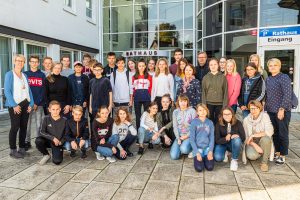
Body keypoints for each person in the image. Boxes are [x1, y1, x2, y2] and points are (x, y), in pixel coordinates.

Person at [4, 54, 34, 158]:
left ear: (24, 63)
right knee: (15, 127)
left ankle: (22, 149)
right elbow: (7, 91)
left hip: (26, 104)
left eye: (22, 61)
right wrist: (14, 105)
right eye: (18, 60)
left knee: (24, 127)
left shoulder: (24, 75)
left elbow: (28, 90)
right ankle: (13, 150)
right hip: (15, 105)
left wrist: (31, 103)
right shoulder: (9, 74)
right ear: (14, 61)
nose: (20, 62)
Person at [265, 58, 293, 165]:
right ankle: (277, 152)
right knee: (275, 133)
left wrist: (282, 109)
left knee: (283, 133)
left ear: (279, 66)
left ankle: (282, 155)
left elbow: (287, 94)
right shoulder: (268, 79)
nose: (272, 67)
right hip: (271, 110)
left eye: (275, 65)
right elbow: (268, 95)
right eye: (270, 65)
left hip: (282, 111)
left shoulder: (284, 77)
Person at [243, 100, 274, 172]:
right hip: (253, 142)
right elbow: (245, 137)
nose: (253, 111)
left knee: (266, 139)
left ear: (259, 108)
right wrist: (254, 144)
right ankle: (262, 152)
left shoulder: (265, 116)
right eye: (251, 108)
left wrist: (253, 135)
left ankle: (264, 163)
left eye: (255, 108)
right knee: (251, 156)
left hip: (263, 139)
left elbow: (270, 131)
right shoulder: (246, 120)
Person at [89, 62, 113, 151]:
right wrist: (90, 106)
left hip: (104, 107)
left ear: (102, 70)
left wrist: (110, 105)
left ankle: (105, 144)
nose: (97, 71)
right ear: (93, 70)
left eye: (99, 70)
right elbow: (91, 94)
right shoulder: (91, 81)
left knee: (105, 127)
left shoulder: (106, 80)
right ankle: (94, 146)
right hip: (95, 107)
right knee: (94, 127)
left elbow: (110, 93)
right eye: (95, 70)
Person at [24, 55, 46, 151]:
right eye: (32, 61)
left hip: (39, 104)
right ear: (29, 63)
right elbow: (24, 90)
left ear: (38, 63)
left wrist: (36, 102)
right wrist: (29, 103)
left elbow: (43, 90)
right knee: (26, 124)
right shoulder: (25, 74)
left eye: (36, 62)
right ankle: (26, 141)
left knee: (39, 124)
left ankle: (38, 141)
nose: (34, 63)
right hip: (27, 104)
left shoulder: (42, 75)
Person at [214, 107, 245, 171]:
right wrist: (225, 138)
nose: (227, 116)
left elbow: (243, 137)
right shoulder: (218, 124)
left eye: (229, 114)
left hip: (232, 145)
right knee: (218, 158)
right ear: (222, 115)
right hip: (222, 143)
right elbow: (217, 140)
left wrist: (231, 135)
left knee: (237, 139)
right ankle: (225, 152)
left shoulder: (238, 123)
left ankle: (234, 160)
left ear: (232, 114)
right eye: (225, 114)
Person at [35, 100, 66, 165]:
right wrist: (52, 138)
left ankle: (57, 152)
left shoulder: (64, 120)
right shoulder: (46, 118)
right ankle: (46, 154)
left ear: (60, 109)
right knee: (38, 140)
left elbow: (67, 134)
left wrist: (62, 141)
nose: (55, 111)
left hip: (58, 142)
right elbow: (41, 131)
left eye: (57, 109)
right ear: (49, 110)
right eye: (53, 109)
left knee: (57, 161)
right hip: (48, 140)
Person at [202, 58, 228, 124]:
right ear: (209, 66)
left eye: (215, 64)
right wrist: (204, 105)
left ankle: (217, 134)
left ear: (218, 65)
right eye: (211, 65)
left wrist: (224, 105)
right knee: (209, 121)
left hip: (220, 104)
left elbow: (225, 92)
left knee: (219, 121)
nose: (213, 66)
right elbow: (203, 92)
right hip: (208, 103)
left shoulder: (223, 77)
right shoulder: (205, 77)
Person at [170, 94, 197, 160]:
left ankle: (194, 150)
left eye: (185, 101)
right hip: (179, 135)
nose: (183, 103)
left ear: (187, 102)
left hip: (189, 134)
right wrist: (178, 138)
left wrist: (186, 136)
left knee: (184, 149)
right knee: (174, 156)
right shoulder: (175, 112)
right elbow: (175, 126)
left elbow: (194, 127)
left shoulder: (192, 111)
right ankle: (180, 149)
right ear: (178, 102)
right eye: (181, 101)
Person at [190, 103, 214, 172]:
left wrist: (210, 151)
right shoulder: (194, 122)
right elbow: (192, 139)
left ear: (207, 111)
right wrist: (197, 153)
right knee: (199, 168)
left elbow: (212, 138)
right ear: (197, 112)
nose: (202, 112)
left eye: (204, 110)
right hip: (198, 149)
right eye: (200, 110)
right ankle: (201, 157)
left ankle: (205, 157)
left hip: (207, 148)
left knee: (210, 167)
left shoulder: (210, 123)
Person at [132, 59, 152, 129]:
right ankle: (138, 130)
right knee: (138, 115)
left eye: (143, 66)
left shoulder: (149, 76)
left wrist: (150, 97)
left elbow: (150, 88)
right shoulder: (134, 77)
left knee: (147, 114)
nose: (141, 67)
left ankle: (146, 130)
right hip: (137, 97)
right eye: (139, 66)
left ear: (145, 66)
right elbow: (133, 89)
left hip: (146, 97)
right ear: (137, 67)